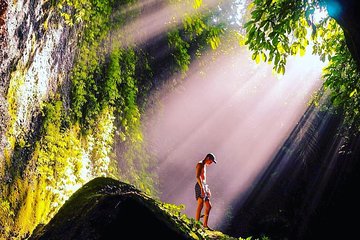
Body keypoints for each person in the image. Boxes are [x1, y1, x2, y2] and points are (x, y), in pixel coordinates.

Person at [195, 153, 217, 230]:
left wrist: (207, 188)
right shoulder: (200, 164)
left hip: (204, 185)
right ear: (207, 158)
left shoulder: (204, 165)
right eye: (210, 161)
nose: (210, 163)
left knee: (208, 206)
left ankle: (205, 225)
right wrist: (202, 188)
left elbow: (203, 178)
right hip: (199, 185)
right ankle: (196, 224)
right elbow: (198, 177)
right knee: (200, 204)